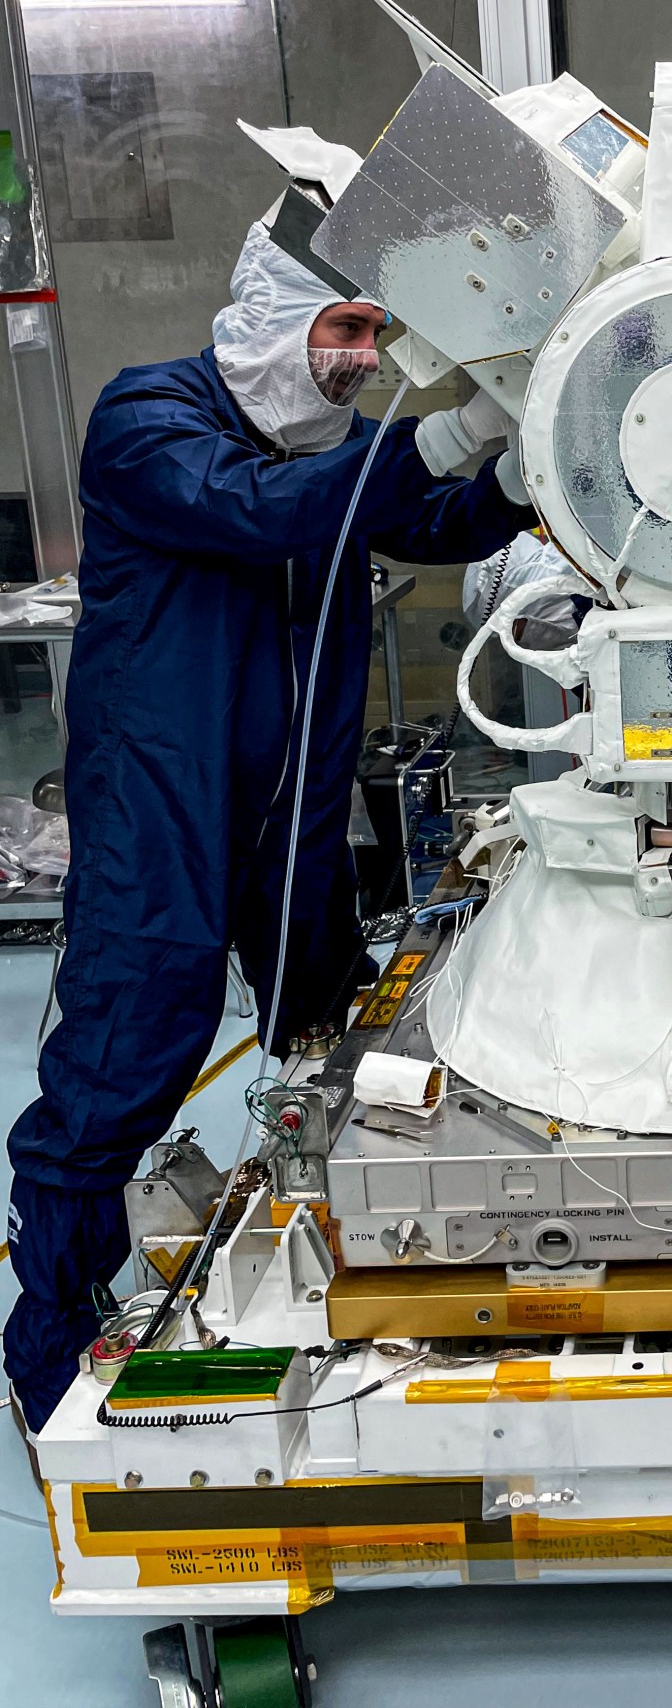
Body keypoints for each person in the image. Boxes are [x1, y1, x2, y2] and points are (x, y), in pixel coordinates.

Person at [5, 218, 534, 1435]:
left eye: (373, 335)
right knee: (126, 1056)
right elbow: (263, 511)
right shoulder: (149, 420)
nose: (361, 357)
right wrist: (444, 434)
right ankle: (48, 1346)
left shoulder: (329, 450)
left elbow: (419, 523)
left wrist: (504, 471)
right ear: (270, 320)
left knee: (321, 1027)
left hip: (290, 810)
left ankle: (314, 1263)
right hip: (162, 809)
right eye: (343, 331)